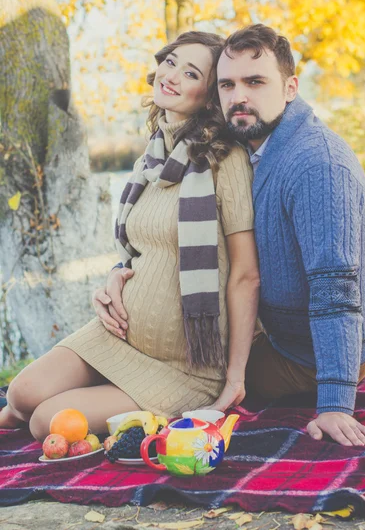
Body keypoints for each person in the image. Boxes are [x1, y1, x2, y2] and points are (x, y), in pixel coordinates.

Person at [0, 31, 260, 441]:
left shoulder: (224, 161)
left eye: (190, 72)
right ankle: (19, 410)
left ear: (210, 97)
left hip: (184, 365)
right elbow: (139, 249)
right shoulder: (151, 157)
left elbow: (246, 274)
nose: (170, 75)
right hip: (119, 336)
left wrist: (235, 377)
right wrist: (114, 276)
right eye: (170, 61)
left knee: (43, 421)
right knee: (22, 391)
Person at [216, 24, 365, 448]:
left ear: (290, 87)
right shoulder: (250, 143)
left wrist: (334, 404)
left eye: (255, 82)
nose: (239, 96)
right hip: (285, 324)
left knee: (200, 382)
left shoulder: (317, 164)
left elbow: (334, 291)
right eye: (227, 84)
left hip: (305, 351)